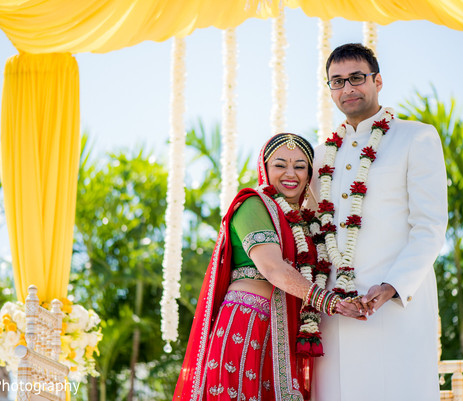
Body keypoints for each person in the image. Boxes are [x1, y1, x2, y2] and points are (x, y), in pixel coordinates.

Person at [308, 43, 448, 400]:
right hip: (335, 311)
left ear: (378, 81)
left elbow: (429, 226)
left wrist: (393, 286)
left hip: (396, 308)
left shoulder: (415, 136)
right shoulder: (321, 155)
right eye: (336, 81)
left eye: (357, 77)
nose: (347, 88)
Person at [173, 133, 351, 401]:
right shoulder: (253, 204)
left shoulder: (304, 222)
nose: (291, 173)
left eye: (300, 166)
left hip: (285, 329)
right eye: (280, 165)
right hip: (248, 323)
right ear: (264, 169)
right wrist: (331, 303)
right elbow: (273, 269)